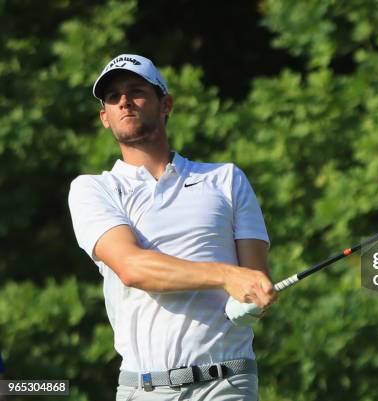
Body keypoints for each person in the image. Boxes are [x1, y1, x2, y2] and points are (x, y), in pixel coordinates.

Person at [68, 54, 276, 400]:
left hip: (227, 383)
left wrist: (254, 296)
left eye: (136, 91)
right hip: (145, 387)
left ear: (166, 104)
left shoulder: (226, 179)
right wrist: (225, 275)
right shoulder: (93, 189)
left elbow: (253, 278)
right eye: (112, 97)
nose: (124, 102)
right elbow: (132, 268)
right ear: (104, 117)